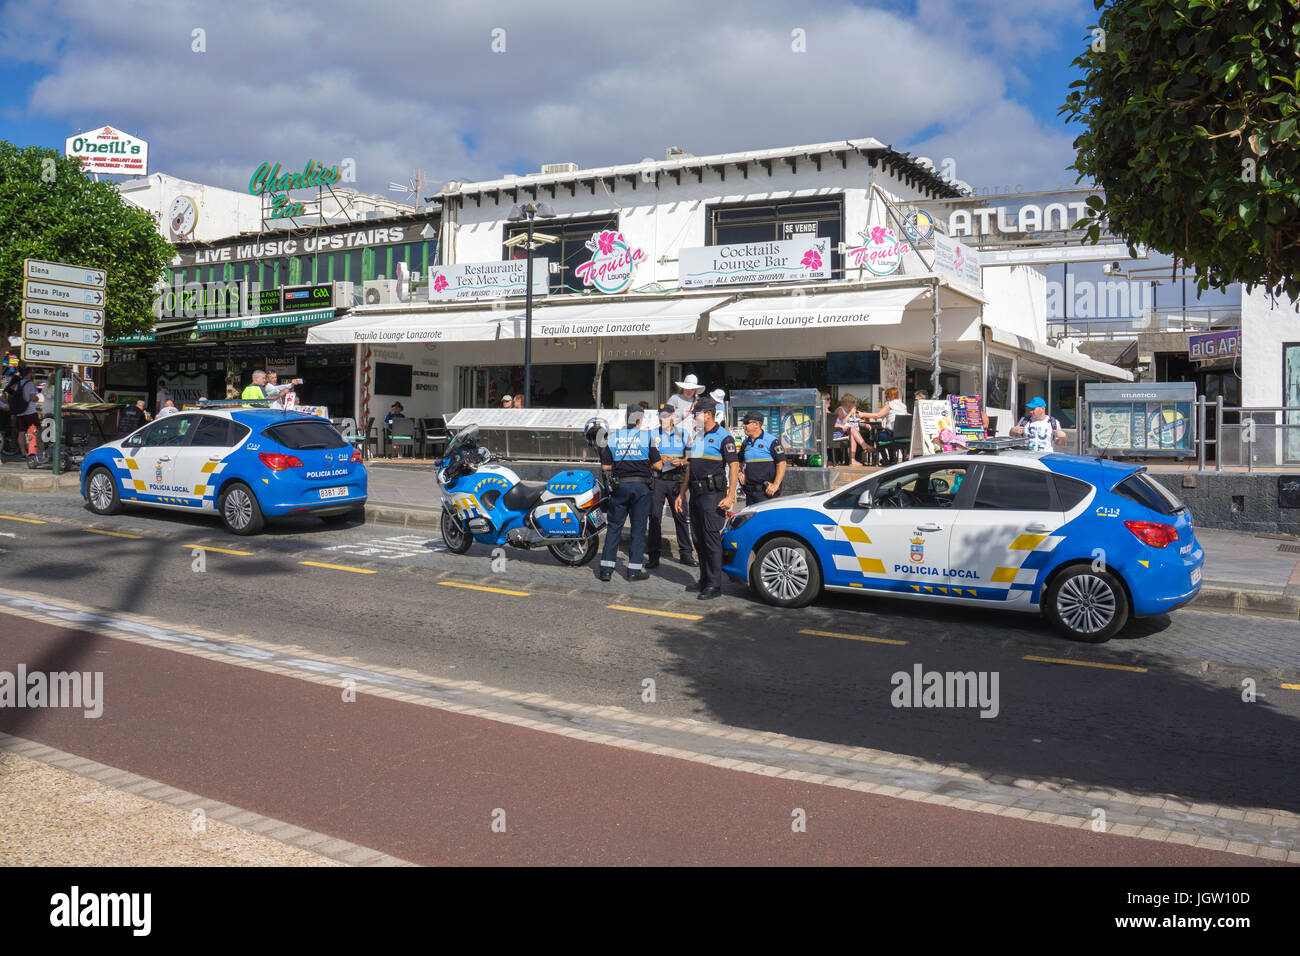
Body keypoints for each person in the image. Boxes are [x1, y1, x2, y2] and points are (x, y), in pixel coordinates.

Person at [676, 397, 739, 600]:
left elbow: (734, 466)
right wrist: (681, 494)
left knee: (711, 539)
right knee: (698, 539)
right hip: (695, 494)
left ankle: (714, 585)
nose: (694, 418)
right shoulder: (697, 436)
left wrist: (731, 495)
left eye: (696, 414)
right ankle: (704, 580)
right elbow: (691, 468)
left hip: (713, 495)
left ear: (708, 414)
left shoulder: (724, 437)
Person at [597, 404, 661, 582]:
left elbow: (606, 467)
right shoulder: (647, 437)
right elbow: (658, 465)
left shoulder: (613, 437)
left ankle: (606, 570)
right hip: (641, 489)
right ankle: (633, 571)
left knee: (614, 527)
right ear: (639, 420)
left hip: (620, 488)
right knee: (638, 529)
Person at [647, 404, 695, 569]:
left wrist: (680, 461)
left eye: (667, 416)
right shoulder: (652, 434)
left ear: (673, 417)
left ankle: (686, 554)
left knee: (681, 517)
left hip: (677, 481)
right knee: (654, 518)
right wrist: (658, 457)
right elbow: (645, 458)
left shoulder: (684, 434)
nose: (664, 419)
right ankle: (653, 556)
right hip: (658, 480)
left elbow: (692, 458)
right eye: (661, 416)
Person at [739, 411, 787, 501]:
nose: (743, 426)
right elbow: (738, 461)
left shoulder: (771, 441)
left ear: (756, 424)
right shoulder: (745, 443)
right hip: (750, 492)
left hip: (767, 492)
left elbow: (782, 463)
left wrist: (776, 485)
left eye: (746, 423)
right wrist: (739, 472)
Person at [859, 387, 909, 465]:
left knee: (877, 436)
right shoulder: (903, 406)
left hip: (892, 435)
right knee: (885, 434)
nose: (886, 398)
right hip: (903, 436)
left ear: (889, 396)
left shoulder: (890, 404)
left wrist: (863, 414)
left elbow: (878, 415)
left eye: (886, 396)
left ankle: (885, 459)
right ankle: (892, 458)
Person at [833, 393, 869, 465]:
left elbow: (855, 421)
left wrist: (865, 425)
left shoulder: (851, 411)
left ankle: (853, 459)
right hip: (842, 432)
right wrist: (850, 413)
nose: (854, 404)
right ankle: (864, 446)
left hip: (853, 431)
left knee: (863, 433)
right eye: (853, 402)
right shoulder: (840, 410)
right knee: (851, 430)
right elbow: (842, 423)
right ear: (848, 403)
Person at [12, 368, 41, 452]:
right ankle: (32, 451)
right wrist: (37, 398)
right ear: (29, 373)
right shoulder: (30, 384)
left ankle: (23, 452)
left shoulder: (18, 383)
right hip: (30, 411)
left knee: (21, 432)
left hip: (20, 412)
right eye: (33, 372)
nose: (33, 374)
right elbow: (32, 397)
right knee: (34, 432)